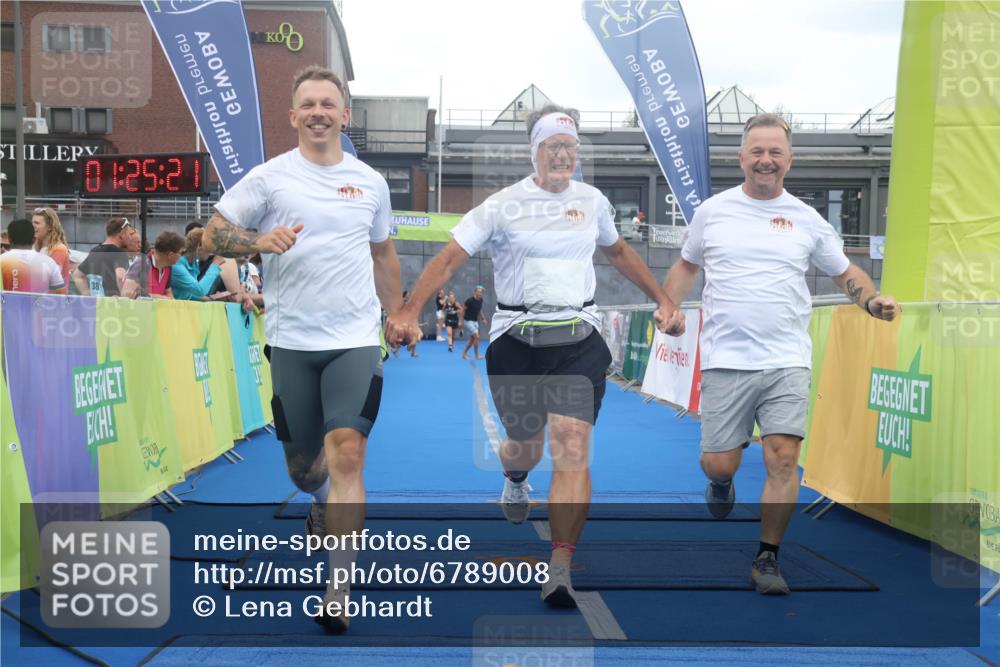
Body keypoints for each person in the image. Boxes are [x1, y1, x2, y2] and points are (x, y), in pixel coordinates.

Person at [387, 104, 682, 608]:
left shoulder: (592, 202)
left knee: (572, 444)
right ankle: (516, 476)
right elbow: (451, 256)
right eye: (553, 146)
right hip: (516, 340)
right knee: (524, 445)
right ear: (535, 152)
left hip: (578, 337)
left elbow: (619, 254)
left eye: (570, 147)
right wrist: (410, 310)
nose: (563, 155)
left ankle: (561, 564)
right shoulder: (502, 205)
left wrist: (664, 298)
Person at [199, 65, 403, 634]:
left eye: (327, 104)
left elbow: (383, 254)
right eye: (307, 104)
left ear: (345, 115)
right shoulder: (268, 178)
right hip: (291, 340)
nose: (318, 112)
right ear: (292, 117)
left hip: (355, 339)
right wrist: (259, 240)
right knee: (303, 471)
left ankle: (337, 591)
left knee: (348, 454)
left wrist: (402, 313)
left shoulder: (370, 182)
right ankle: (315, 504)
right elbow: (209, 236)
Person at [661, 113, 899, 596]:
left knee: (783, 456)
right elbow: (686, 265)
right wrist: (670, 307)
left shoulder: (807, 220)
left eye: (775, 152)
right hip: (727, 359)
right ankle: (722, 483)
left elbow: (844, 272)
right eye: (757, 151)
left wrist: (871, 300)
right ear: (741, 158)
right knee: (719, 464)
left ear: (789, 160)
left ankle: (767, 557)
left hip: (787, 358)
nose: (765, 160)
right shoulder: (713, 211)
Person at [1, 218, 66, 294]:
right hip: (40, 305)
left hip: (8, 305)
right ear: (34, 239)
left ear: (9, 239)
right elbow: (60, 294)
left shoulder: (2, 260)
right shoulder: (49, 262)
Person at [72, 217, 132, 296]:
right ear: (121, 234)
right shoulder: (119, 253)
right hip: (114, 305)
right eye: (129, 234)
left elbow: (77, 275)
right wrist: (124, 298)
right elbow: (120, 277)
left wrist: (88, 294)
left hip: (97, 305)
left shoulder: (94, 252)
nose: (130, 238)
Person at [121, 230, 186, 299]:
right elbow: (126, 293)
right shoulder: (141, 264)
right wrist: (157, 298)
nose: (181, 256)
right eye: (181, 253)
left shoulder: (168, 267)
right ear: (170, 255)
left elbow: (168, 292)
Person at [31, 207, 71, 289]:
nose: (32, 226)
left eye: (37, 223)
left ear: (49, 226)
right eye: (32, 223)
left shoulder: (59, 249)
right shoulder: (36, 248)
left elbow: (48, 279)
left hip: (54, 300)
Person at [460, 285, 488, 360]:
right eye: (478, 292)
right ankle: (477, 355)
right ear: (475, 292)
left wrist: (483, 319)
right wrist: (461, 321)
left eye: (481, 292)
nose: (480, 293)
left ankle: (464, 353)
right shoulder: (469, 301)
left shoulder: (481, 300)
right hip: (468, 321)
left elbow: (480, 309)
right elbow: (462, 310)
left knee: (473, 339)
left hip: (475, 322)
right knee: (477, 336)